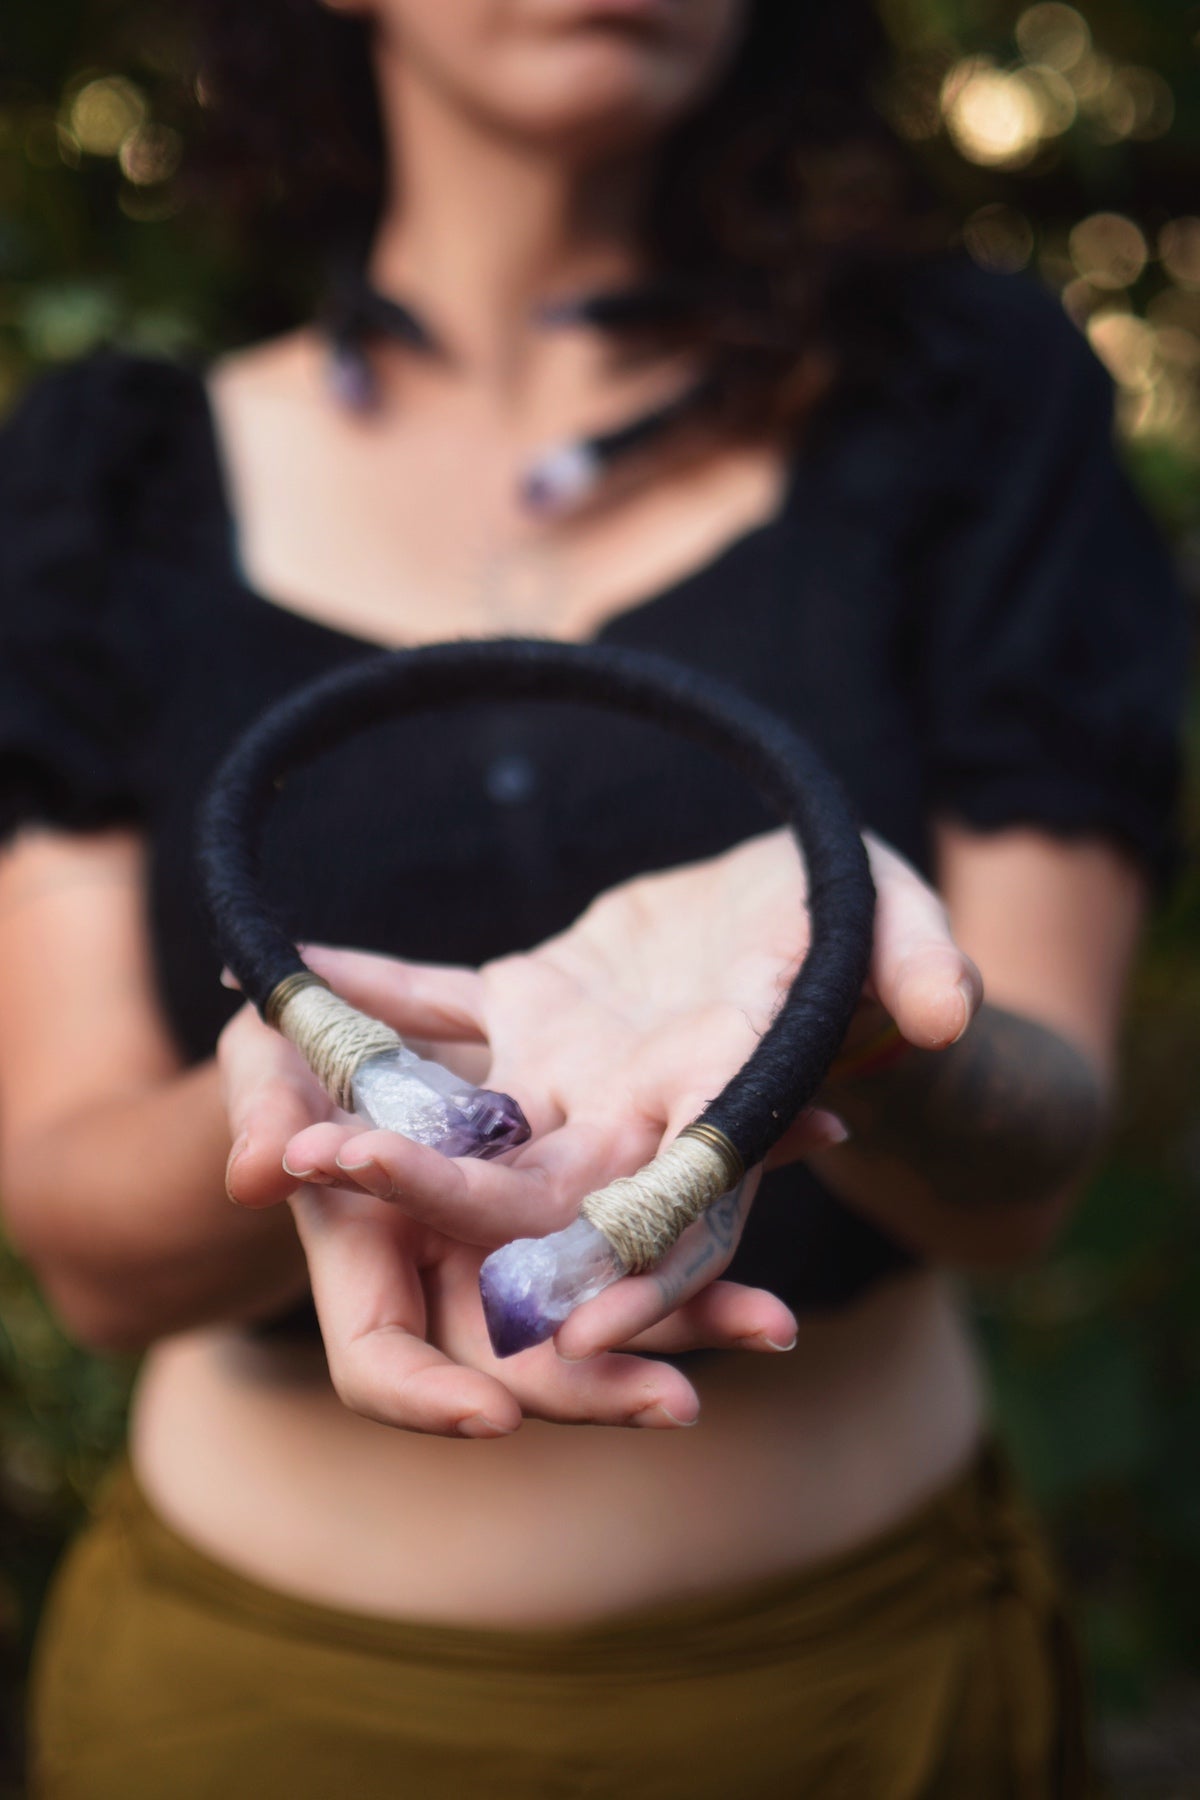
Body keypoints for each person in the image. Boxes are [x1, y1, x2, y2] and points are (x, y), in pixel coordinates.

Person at [0, 1, 1184, 1794]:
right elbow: (83, 1242)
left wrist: (839, 992)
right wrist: (315, 1110)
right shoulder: (111, 481)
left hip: (872, 1703)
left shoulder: (964, 412)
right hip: (238, 1712)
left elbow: (1028, 1169)